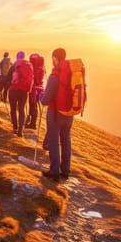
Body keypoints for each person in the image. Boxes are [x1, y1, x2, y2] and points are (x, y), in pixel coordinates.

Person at [40, 48, 74, 181]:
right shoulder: (71, 73)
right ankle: (65, 170)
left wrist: (41, 97)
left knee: (54, 142)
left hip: (55, 114)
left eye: (52, 58)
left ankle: (54, 171)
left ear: (55, 58)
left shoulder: (55, 75)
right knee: (66, 141)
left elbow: (45, 100)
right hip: (69, 113)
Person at [5, 51, 33, 137]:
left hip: (13, 91)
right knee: (21, 109)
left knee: (13, 109)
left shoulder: (14, 65)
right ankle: (21, 129)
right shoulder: (29, 65)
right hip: (24, 92)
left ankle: (15, 127)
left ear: (17, 57)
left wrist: (6, 87)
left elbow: (7, 78)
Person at [26, 53, 46, 130]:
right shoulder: (42, 67)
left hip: (33, 88)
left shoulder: (33, 67)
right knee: (35, 105)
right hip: (40, 89)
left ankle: (32, 124)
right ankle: (32, 123)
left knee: (32, 104)